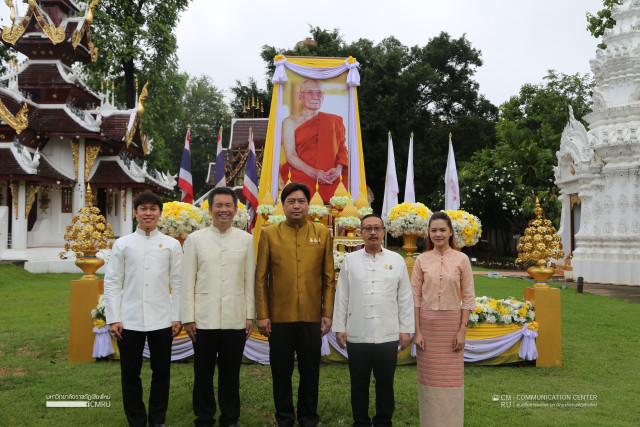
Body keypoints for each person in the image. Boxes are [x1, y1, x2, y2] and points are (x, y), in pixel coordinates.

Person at [255, 182, 335, 427]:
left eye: (301, 201)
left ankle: (309, 417)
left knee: (310, 372)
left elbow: (329, 278)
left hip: (311, 317)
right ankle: (285, 418)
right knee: (281, 373)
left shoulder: (322, 233)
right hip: (279, 318)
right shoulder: (269, 234)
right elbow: (261, 278)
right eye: (291, 201)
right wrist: (263, 314)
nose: (296, 206)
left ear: (308, 205)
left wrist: (327, 313)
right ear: (283, 205)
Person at [104, 191, 182, 427]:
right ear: (136, 212)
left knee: (161, 373)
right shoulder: (123, 244)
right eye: (143, 209)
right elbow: (112, 281)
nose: (148, 213)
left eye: (153, 209)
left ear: (160, 213)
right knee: (130, 374)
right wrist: (113, 317)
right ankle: (136, 420)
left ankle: (158, 419)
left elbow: (178, 282)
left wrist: (177, 316)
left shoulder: (171, 244)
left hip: (162, 319)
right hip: (129, 319)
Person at [181, 187, 255, 427]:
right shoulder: (195, 239)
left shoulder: (246, 239)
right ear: (210, 208)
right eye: (218, 205)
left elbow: (249, 281)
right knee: (203, 373)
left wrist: (249, 315)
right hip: (203, 318)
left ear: (235, 209)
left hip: (235, 316)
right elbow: (187, 281)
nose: (223, 210)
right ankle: (204, 417)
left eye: (228, 206)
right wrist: (188, 317)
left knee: (230, 373)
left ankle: (230, 417)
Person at [333, 213, 415, 427]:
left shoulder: (396, 260)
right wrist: (340, 327)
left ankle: (383, 421)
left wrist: (405, 329)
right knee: (358, 382)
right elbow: (342, 295)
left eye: (377, 228)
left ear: (383, 232)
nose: (372, 232)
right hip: (357, 331)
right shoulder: (350, 261)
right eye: (368, 228)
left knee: (385, 382)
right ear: (361, 233)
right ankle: (360, 421)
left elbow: (405, 297)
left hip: (387, 332)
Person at [410, 211, 476, 427]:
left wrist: (462, 331)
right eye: (434, 230)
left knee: (451, 379)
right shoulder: (421, 259)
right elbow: (415, 298)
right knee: (429, 379)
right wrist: (417, 331)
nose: (438, 234)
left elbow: (468, 298)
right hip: (427, 329)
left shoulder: (461, 259)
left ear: (450, 233)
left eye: (442, 230)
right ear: (428, 234)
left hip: (452, 328)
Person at [280, 79, 349, 201]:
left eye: (319, 93)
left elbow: (342, 149)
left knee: (343, 193)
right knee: (302, 193)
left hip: (331, 174)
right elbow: (290, 154)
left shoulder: (333, 121)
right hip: (303, 173)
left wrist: (338, 170)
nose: (315, 96)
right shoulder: (290, 122)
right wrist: (314, 173)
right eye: (310, 92)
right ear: (300, 97)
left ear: (323, 96)